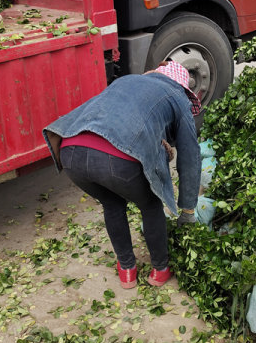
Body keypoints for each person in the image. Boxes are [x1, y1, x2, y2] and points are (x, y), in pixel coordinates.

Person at [43, 61, 201, 289]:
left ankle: (127, 270)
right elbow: (189, 157)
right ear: (183, 88)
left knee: (112, 203)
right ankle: (160, 270)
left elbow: (116, 123)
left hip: (70, 152)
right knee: (150, 204)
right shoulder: (177, 96)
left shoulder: (127, 81)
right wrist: (187, 209)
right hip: (116, 160)